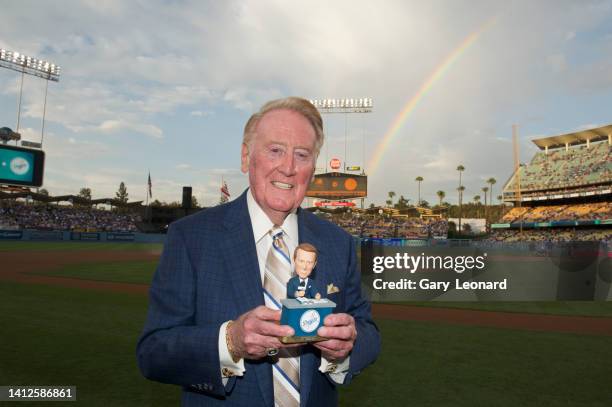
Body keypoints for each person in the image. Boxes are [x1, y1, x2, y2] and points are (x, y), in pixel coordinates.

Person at [137, 97, 380, 407]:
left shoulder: (338, 243)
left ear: (313, 167)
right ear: (246, 156)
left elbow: (368, 331)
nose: (289, 167)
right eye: (275, 150)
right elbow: (154, 353)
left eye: (302, 155)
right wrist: (231, 342)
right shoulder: (191, 237)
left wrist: (347, 345)